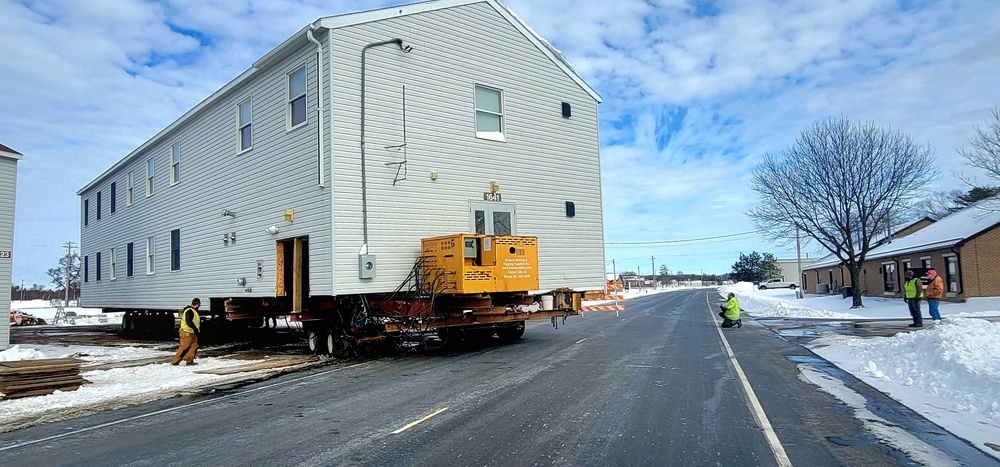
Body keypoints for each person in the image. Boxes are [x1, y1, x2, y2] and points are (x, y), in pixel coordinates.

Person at [171, 298, 201, 366]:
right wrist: (195, 328)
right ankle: (175, 362)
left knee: (194, 346)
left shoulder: (193, 311)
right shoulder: (189, 311)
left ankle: (189, 361)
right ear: (197, 305)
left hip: (192, 333)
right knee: (184, 347)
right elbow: (188, 322)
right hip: (186, 332)